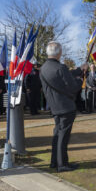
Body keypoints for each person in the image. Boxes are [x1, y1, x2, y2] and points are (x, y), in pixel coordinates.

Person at [40, 41, 82, 172]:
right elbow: (73, 87)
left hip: (54, 107)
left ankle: (55, 162)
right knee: (63, 136)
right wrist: (80, 80)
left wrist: (80, 70)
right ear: (59, 53)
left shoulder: (44, 68)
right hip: (66, 107)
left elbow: (60, 77)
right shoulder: (61, 68)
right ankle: (62, 164)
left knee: (57, 134)